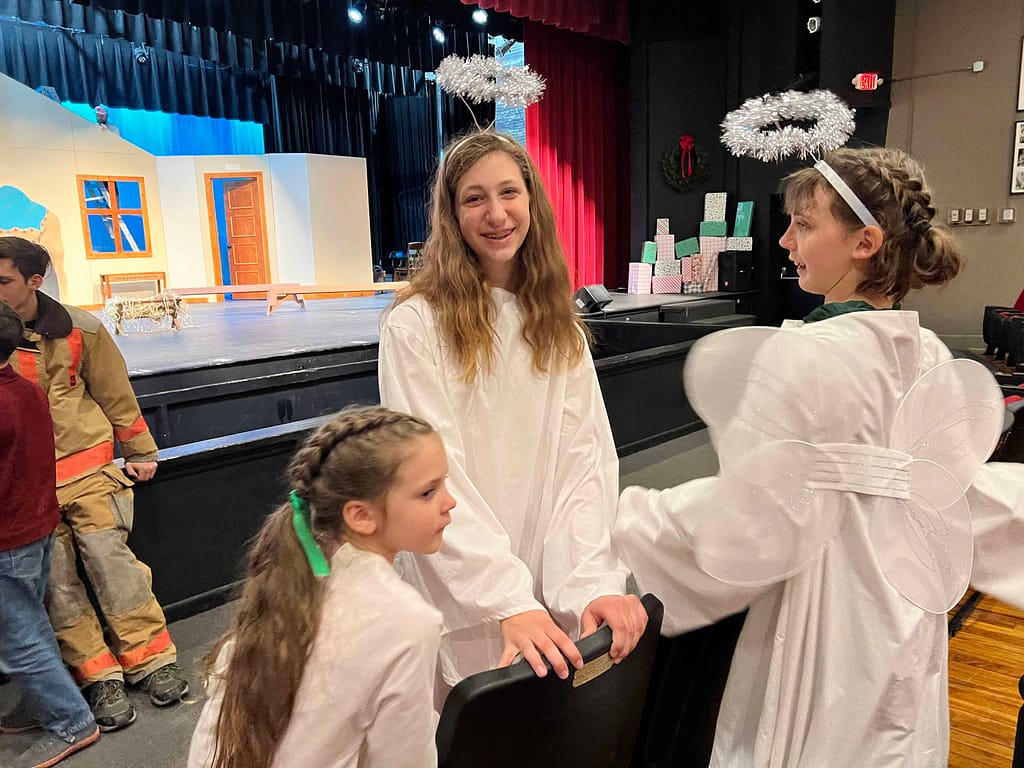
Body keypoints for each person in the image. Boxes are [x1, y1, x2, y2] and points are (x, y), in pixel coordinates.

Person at [614, 147, 1024, 767]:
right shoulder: (933, 356)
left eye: (804, 225)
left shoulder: (800, 355)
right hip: (905, 613)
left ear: (865, 242)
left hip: (824, 617)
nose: (785, 241)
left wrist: (637, 523)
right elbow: (948, 497)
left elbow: (752, 524)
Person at [378, 130, 647, 694]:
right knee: (461, 721)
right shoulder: (416, 325)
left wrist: (589, 582)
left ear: (531, 200)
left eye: (508, 192)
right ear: (452, 214)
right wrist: (503, 597)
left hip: (544, 580)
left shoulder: (556, 324)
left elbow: (582, 463)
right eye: (474, 198)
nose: (496, 214)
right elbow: (433, 477)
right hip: (459, 583)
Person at [187, 406, 455, 768]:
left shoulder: (293, 572)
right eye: (428, 492)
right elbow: (405, 761)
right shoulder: (408, 622)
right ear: (361, 516)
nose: (449, 502)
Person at [0, 236, 188, 733]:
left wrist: (141, 450)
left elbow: (115, 392)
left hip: (88, 472)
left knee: (112, 565)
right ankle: (98, 675)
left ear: (33, 281)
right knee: (58, 584)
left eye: (3, 281)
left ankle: (152, 659)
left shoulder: (81, 329)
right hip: (29, 488)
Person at [0, 301, 99, 768]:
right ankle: (44, 700)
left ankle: (71, 721)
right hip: (36, 528)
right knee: (31, 623)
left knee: (18, 639)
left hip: (8, 540)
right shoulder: (28, 391)